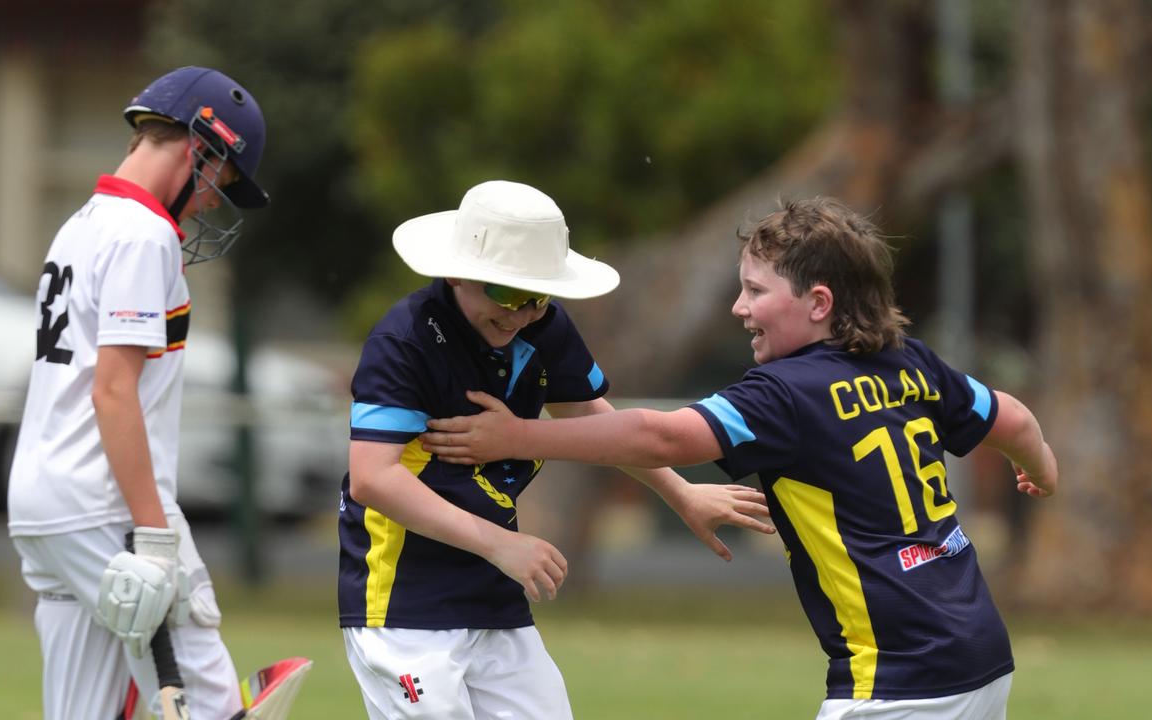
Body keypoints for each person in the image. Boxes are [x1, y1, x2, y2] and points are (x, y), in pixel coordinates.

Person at [422, 197, 1059, 719]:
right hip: (980, 656)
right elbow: (1016, 418)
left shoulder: (786, 393)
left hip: (900, 677)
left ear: (818, 303)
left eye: (754, 290)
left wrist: (518, 438)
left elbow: (662, 437)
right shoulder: (912, 363)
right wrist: (1039, 465)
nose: (739, 308)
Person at [338, 179, 774, 719]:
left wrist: (680, 493)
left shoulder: (544, 328)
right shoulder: (403, 342)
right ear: (455, 272)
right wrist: (501, 544)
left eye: (537, 296)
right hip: (401, 604)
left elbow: (591, 420)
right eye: (505, 293)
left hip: (492, 593)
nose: (520, 313)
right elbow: (372, 479)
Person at [7, 66, 269, 720]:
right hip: (104, 503)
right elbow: (114, 392)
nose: (214, 201)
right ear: (199, 149)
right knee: (210, 705)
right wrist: (155, 535)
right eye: (222, 181)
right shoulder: (143, 234)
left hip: (42, 505)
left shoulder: (82, 222)